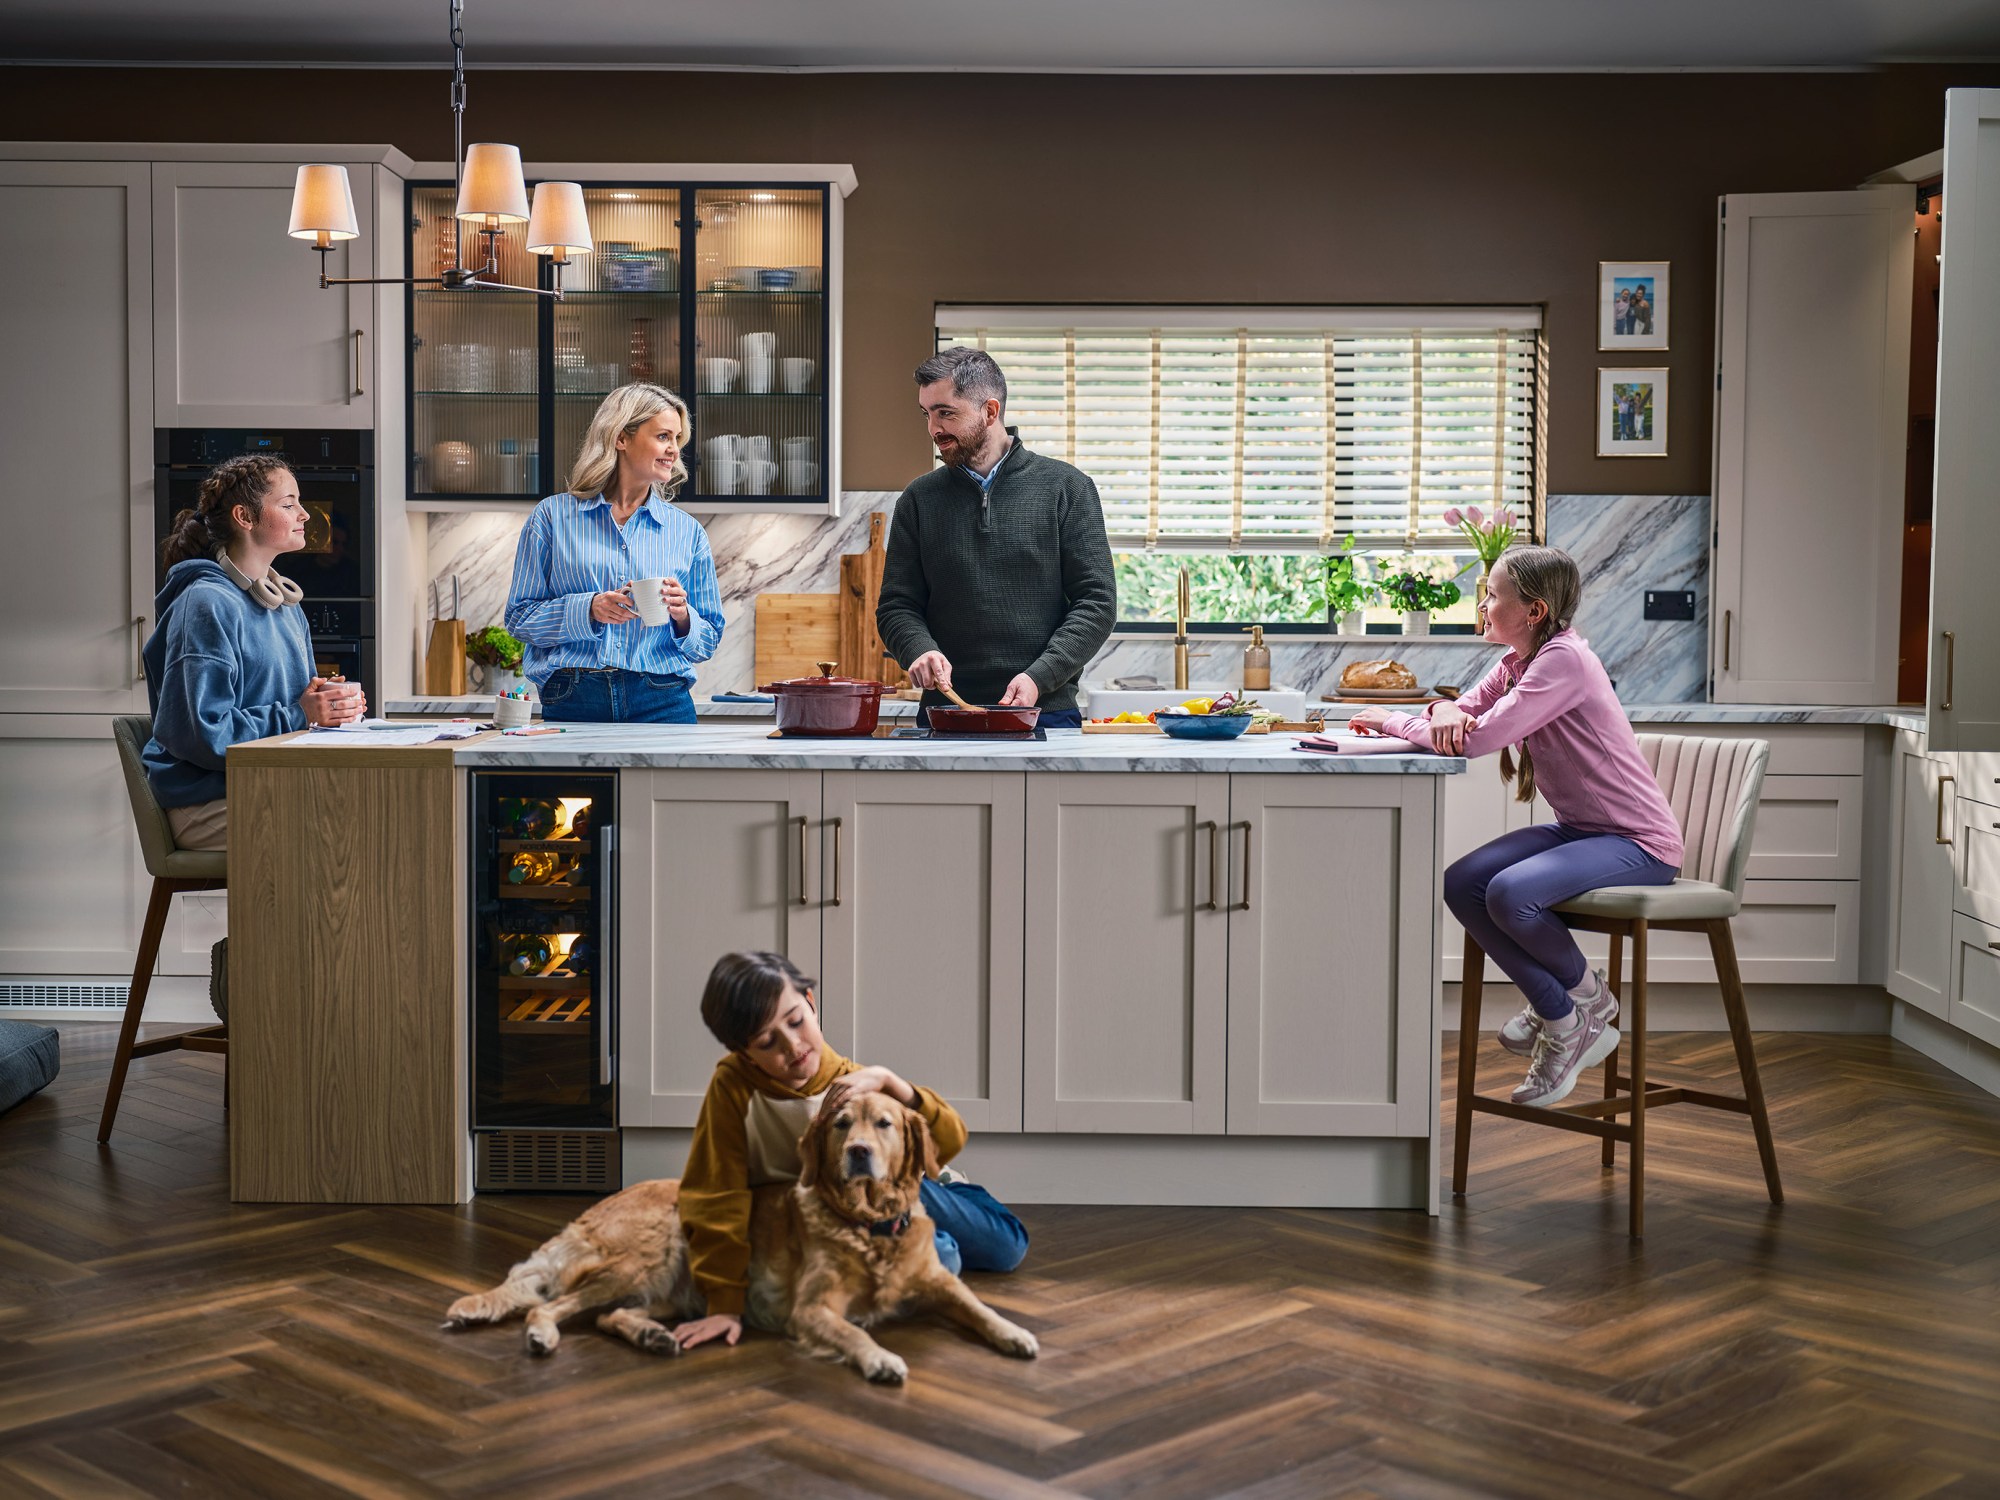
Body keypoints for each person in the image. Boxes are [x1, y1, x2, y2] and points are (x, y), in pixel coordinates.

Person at [1347, 546, 1683, 1108]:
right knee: (1463, 883)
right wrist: (1443, 710)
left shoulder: (1563, 660)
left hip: (1638, 843)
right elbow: (1462, 713)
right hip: (1582, 829)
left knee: (1509, 893)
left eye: (1492, 595)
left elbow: (1476, 738)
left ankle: (1569, 1012)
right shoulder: (1517, 661)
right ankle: (1582, 1006)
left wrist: (1395, 720)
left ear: (1534, 610)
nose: (1482, 605)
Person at [670, 951, 1030, 1352]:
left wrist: (892, 1082)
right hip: (821, 1206)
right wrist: (723, 1303)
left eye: (795, 1021)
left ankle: (952, 1188)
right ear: (743, 1052)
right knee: (942, 1260)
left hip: (902, 1186)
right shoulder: (731, 1090)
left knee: (1007, 1248)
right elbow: (716, 1195)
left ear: (810, 1002)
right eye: (767, 1042)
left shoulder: (854, 1081)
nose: (793, 1046)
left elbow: (949, 1138)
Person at [876, 347, 1116, 730]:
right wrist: (918, 649)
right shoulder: (918, 500)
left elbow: (1097, 603)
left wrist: (1039, 677)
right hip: (944, 713)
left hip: (1046, 713)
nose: (933, 429)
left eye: (945, 413)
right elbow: (896, 606)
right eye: (927, 414)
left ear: (990, 411)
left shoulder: (1067, 488)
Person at [143, 454, 366, 851]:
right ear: (244, 517)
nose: (305, 515)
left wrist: (330, 707)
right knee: (347, 836)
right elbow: (205, 734)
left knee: (378, 810)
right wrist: (302, 714)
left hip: (266, 782)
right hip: (206, 800)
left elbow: (299, 708)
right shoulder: (205, 603)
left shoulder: (284, 605)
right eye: (289, 504)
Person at [504, 383, 724, 725]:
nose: (674, 450)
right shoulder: (551, 518)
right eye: (663, 436)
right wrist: (588, 609)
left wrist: (683, 616)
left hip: (662, 698)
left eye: (677, 439)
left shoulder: (687, 531)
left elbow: (707, 640)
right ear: (621, 438)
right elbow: (519, 619)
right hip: (574, 696)